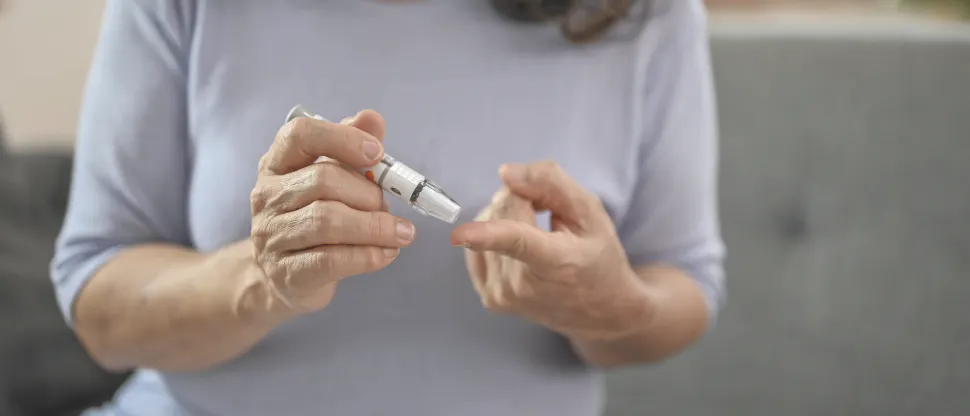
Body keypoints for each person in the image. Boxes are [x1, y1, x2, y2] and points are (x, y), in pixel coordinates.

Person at [51, 0, 726, 414]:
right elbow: (99, 306)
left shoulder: (644, 15)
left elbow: (686, 281)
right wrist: (261, 278)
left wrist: (611, 307)